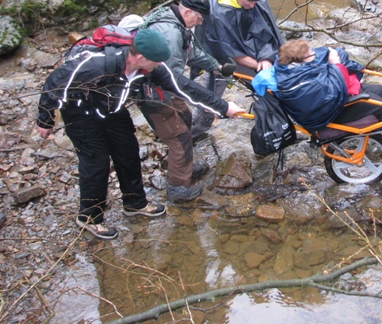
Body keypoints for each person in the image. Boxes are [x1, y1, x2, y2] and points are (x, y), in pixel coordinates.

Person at [35, 29, 245, 240]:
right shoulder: (97, 64)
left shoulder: (151, 69)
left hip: (112, 108)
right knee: (96, 162)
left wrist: (223, 107)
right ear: (140, 58)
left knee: (128, 151)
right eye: (156, 62)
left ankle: (135, 203)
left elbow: (184, 87)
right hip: (80, 113)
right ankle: (90, 217)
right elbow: (54, 84)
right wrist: (45, 120)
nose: (159, 66)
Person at [139, 0, 234, 203]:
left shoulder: (177, 22)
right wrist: (220, 106)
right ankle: (177, 187)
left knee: (185, 119)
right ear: (188, 11)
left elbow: (191, 53)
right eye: (199, 19)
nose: (199, 23)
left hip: (167, 89)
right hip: (157, 95)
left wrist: (215, 67)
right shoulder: (170, 33)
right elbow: (172, 80)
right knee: (179, 136)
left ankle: (184, 167)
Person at [253, 39, 382, 142]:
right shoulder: (298, 83)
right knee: (380, 106)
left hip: (334, 102)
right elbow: (332, 90)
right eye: (311, 54)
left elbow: (329, 76)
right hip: (327, 115)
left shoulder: (298, 67)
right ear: (300, 60)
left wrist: (334, 59)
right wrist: (335, 63)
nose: (314, 54)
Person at [191, 0, 284, 140]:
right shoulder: (218, 13)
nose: (252, 5)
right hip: (220, 57)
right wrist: (258, 66)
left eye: (256, 2)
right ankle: (194, 132)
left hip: (249, 50)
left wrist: (265, 58)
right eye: (249, 2)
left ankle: (275, 126)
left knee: (270, 87)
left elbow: (265, 33)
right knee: (210, 98)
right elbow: (230, 52)